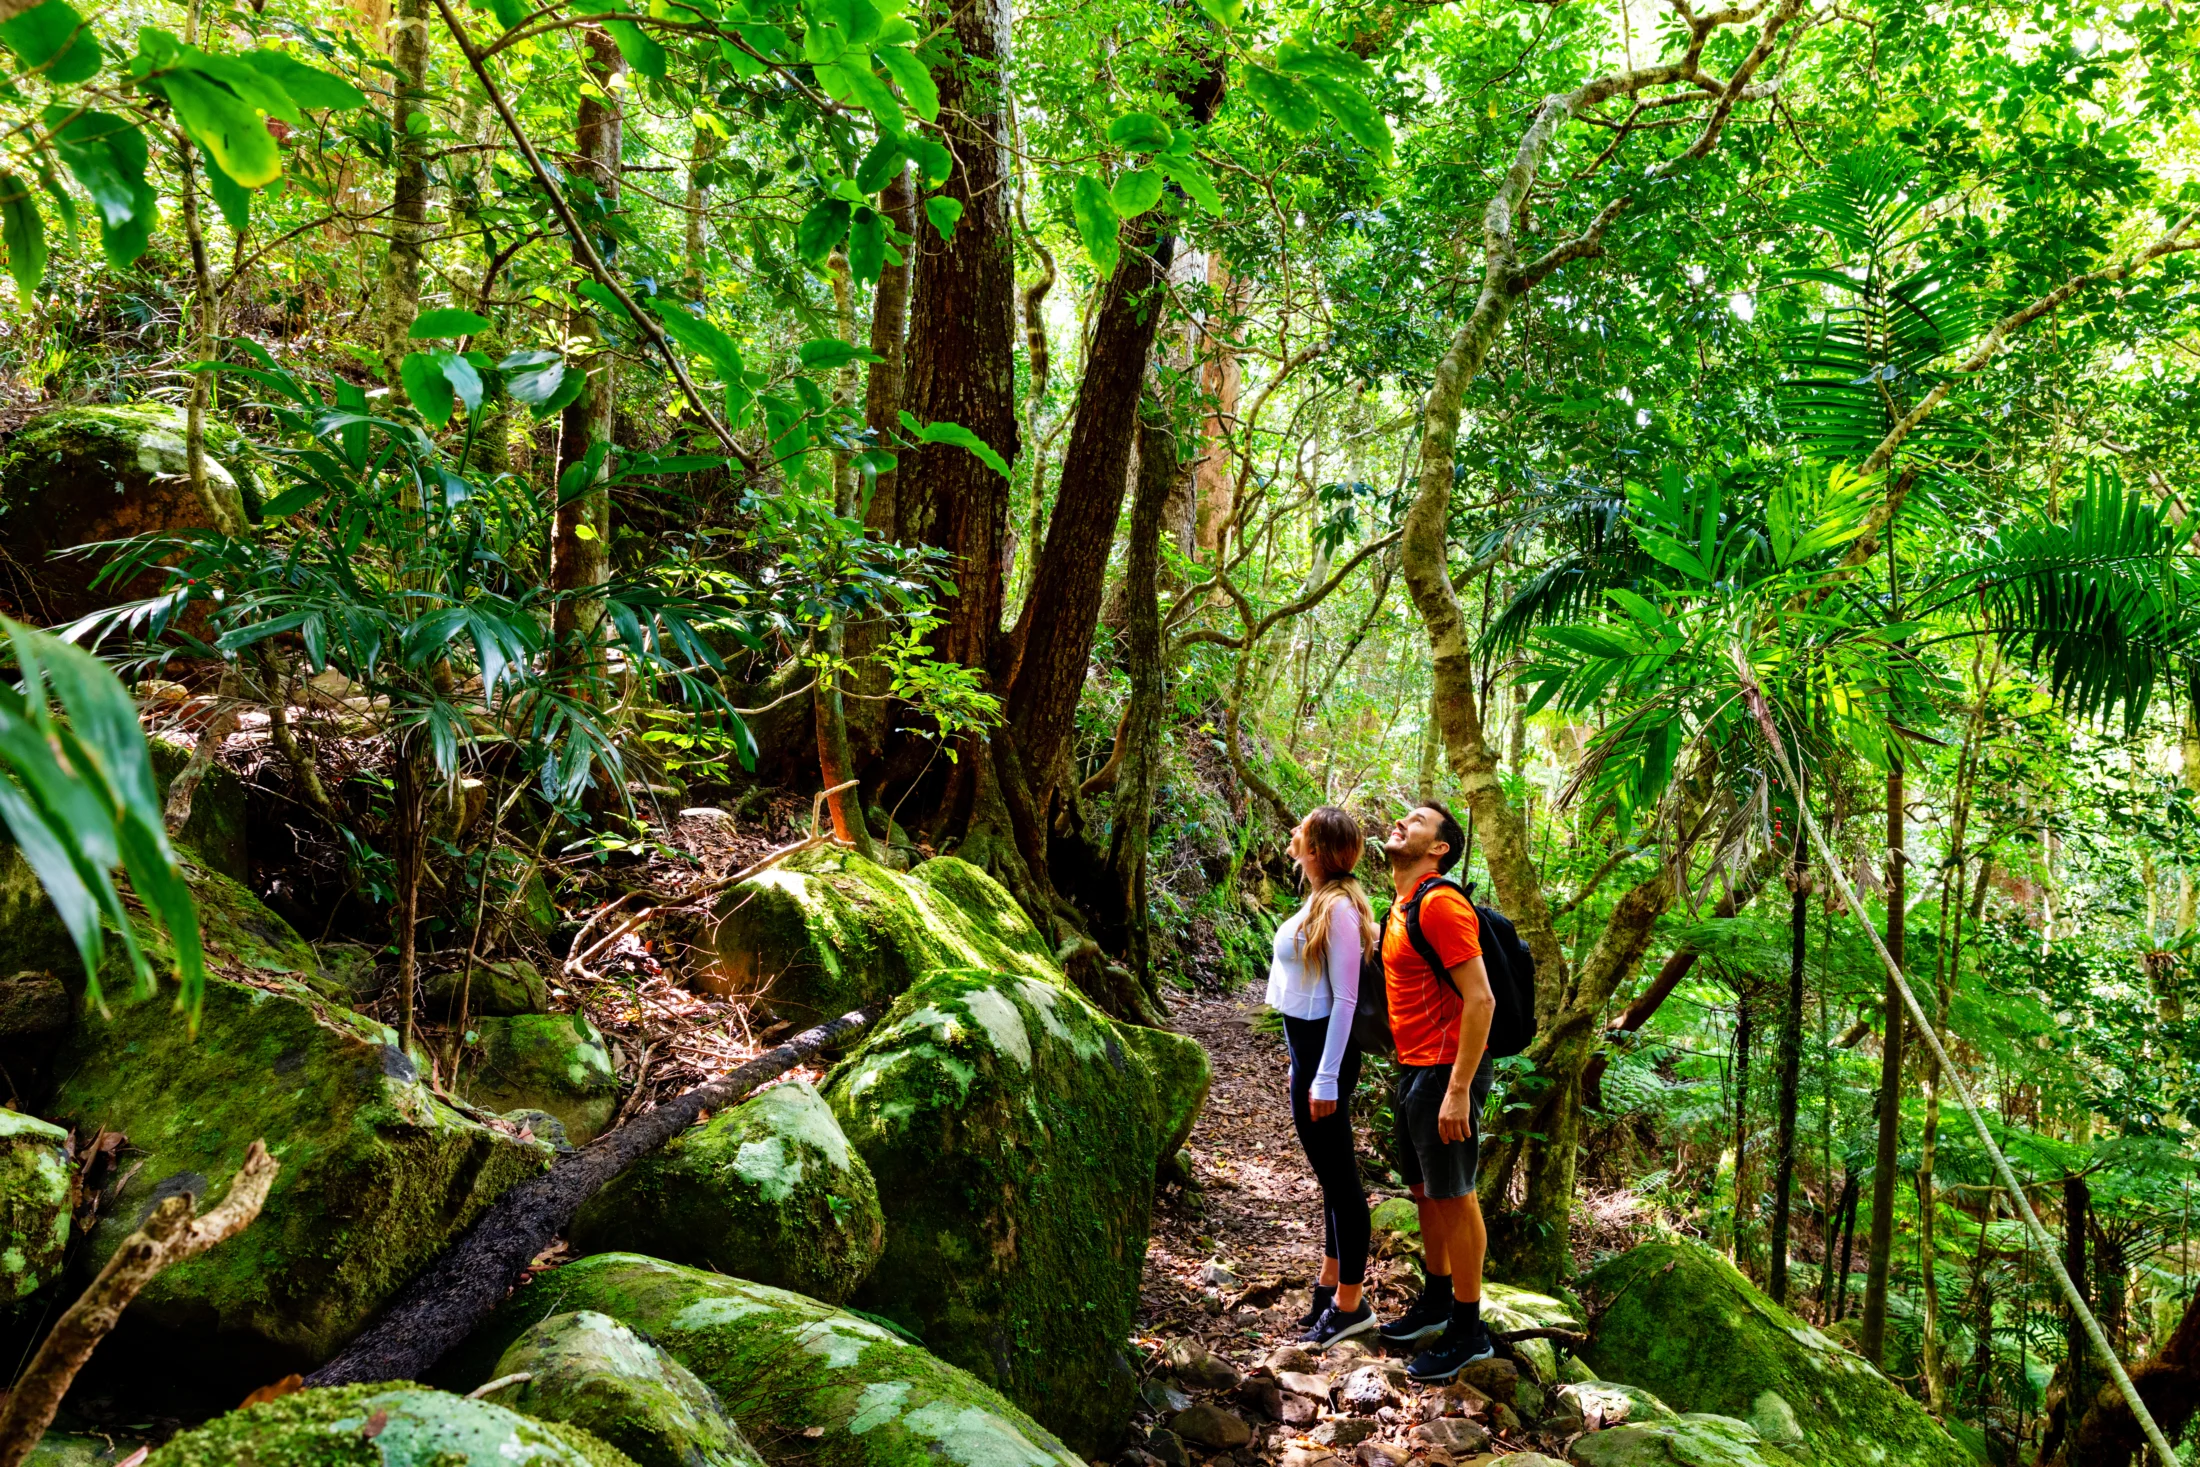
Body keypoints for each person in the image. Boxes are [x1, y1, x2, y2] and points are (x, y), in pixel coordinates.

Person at [1373, 802, 1500, 1381]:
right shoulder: (1399, 907)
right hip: (1415, 1069)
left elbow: (1482, 999)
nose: (1401, 820)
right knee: (1426, 1191)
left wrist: (1458, 1090)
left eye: (1417, 820)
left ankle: (1468, 1332)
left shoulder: (1442, 903)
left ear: (1440, 847)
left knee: (1455, 1195)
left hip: (1447, 1071)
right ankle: (1438, 1300)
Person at [1266, 805, 1380, 1345]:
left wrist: (1326, 1076)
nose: (1294, 832)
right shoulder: (1320, 898)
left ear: (1316, 848)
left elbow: (1346, 998)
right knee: (1330, 1179)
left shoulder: (1336, 908)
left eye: (1303, 829)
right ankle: (1329, 1285)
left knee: (1341, 1182)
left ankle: (1350, 1306)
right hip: (1307, 1052)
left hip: (1322, 1056)